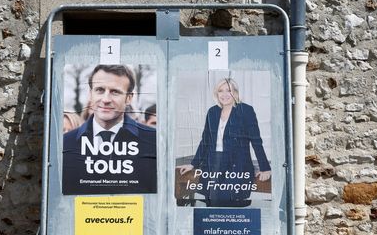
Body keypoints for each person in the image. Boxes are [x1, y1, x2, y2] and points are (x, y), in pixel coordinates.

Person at [63, 64, 156, 195]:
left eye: (115, 92)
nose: (105, 99)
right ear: (90, 94)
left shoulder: (153, 141)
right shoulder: (66, 143)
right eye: (100, 90)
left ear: (129, 98)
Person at [177, 78, 270, 206]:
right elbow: (205, 141)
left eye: (229, 90)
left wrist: (265, 168)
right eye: (221, 91)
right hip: (213, 164)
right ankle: (215, 226)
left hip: (237, 165)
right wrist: (193, 164)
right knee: (212, 202)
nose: (224, 94)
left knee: (231, 202)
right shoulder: (212, 112)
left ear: (235, 93)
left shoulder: (246, 110)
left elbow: (256, 141)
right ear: (217, 94)